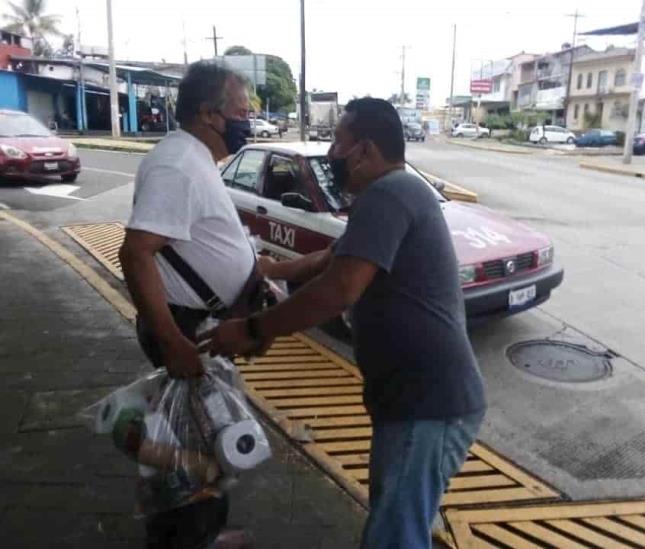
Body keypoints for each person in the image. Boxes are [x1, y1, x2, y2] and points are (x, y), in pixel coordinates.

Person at [199, 97, 487, 548]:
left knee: (394, 536)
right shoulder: (392, 194)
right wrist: (271, 270)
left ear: (365, 150)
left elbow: (338, 289)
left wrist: (254, 329)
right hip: (413, 399)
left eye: (338, 141)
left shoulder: (389, 196)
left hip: (428, 403)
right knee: (400, 521)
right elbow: (330, 259)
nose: (333, 153)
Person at [119, 60, 255, 549]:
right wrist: (172, 341)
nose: (249, 119)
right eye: (242, 110)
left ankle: (203, 535)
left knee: (198, 439)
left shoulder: (195, 158)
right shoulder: (178, 165)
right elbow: (136, 252)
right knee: (196, 447)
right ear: (209, 114)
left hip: (198, 326)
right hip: (184, 331)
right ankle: (190, 539)